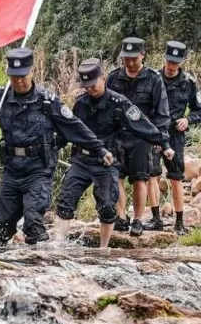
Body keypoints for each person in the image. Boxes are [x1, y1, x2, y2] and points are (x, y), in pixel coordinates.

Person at [0, 47, 107, 247]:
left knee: (33, 219)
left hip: (38, 170)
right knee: (2, 226)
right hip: (11, 170)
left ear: (31, 72)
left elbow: (74, 126)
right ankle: (2, 267)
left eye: (22, 76)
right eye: (13, 76)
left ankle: (42, 262)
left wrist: (100, 149)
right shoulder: (1, 98)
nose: (18, 81)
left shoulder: (47, 100)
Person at [54, 59, 174, 248]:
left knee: (108, 207)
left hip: (107, 162)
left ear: (103, 78)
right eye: (86, 86)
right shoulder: (81, 104)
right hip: (82, 161)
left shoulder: (119, 102)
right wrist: (52, 147)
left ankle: (103, 248)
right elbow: (69, 131)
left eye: (93, 85)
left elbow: (142, 125)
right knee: (65, 200)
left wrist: (164, 143)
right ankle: (58, 245)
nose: (90, 89)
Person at [106, 37, 171, 236]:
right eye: (126, 58)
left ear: (142, 56)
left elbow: (162, 112)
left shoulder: (153, 78)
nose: (130, 62)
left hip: (142, 137)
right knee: (115, 175)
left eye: (134, 58)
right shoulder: (113, 78)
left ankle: (137, 219)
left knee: (139, 179)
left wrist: (159, 139)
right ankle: (121, 216)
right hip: (117, 135)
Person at [149, 40, 201, 234]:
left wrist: (188, 120)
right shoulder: (153, 78)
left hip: (175, 134)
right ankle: (156, 220)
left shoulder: (188, 82)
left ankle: (179, 223)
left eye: (175, 62)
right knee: (152, 174)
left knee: (176, 177)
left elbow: (200, 111)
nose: (171, 65)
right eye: (169, 61)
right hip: (155, 132)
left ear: (181, 61)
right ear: (164, 59)